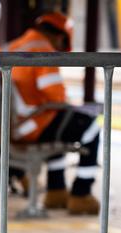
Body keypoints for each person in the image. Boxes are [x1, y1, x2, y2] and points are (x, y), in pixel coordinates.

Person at [8, 12, 101, 215]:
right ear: (60, 37)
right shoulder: (42, 50)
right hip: (33, 125)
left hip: (14, 127)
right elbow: (56, 97)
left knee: (62, 126)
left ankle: (56, 190)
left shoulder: (14, 45)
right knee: (91, 127)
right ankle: (81, 194)